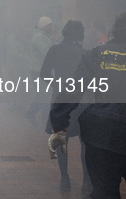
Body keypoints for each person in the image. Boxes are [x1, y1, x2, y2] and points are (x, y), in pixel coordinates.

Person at [48, 12, 126, 198]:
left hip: (102, 133)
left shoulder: (95, 55)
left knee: (104, 191)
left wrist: (59, 122)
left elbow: (70, 92)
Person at [40, 20, 91, 193]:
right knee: (86, 143)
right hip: (81, 102)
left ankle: (65, 179)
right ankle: (86, 181)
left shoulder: (55, 50)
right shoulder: (85, 53)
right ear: (80, 35)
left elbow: (44, 74)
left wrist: (57, 85)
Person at [27, 16, 55, 125]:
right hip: (39, 71)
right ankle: (31, 112)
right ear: (45, 26)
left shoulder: (45, 36)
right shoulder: (39, 37)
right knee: (42, 94)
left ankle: (44, 116)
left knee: (46, 94)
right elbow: (46, 52)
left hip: (43, 70)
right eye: (50, 25)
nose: (52, 27)